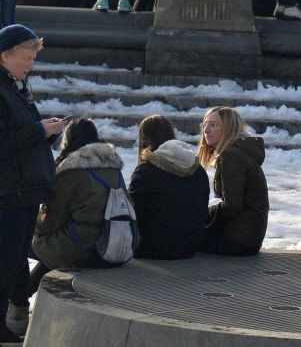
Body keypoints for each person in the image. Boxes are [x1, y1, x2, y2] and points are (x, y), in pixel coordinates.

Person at [0, 25, 62, 343]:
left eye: (33, 59)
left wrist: (46, 132)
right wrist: (39, 131)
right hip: (8, 193)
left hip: (24, 191)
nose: (30, 65)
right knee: (5, 261)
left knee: (14, 261)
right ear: (4, 55)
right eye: (26, 58)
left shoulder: (17, 87)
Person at [31, 117, 127, 272]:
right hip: (115, 246)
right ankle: (22, 293)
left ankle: (16, 293)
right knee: (61, 242)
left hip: (87, 250)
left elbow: (48, 222)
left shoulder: (70, 171)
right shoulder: (114, 168)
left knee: (29, 242)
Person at [128, 115, 210, 260]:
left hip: (152, 247)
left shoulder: (145, 171)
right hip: (190, 246)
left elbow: (132, 213)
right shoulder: (197, 169)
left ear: (144, 140)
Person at [196, 106, 269, 256]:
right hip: (248, 236)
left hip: (239, 239)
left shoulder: (231, 155)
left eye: (213, 125)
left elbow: (232, 206)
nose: (206, 130)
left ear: (227, 128)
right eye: (204, 124)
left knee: (180, 240)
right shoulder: (235, 152)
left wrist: (203, 220)